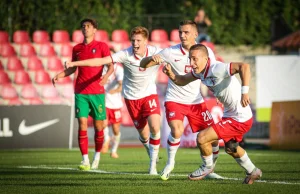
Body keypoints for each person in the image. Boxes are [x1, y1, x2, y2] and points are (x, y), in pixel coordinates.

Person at [64, 26, 162, 175]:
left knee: (155, 127)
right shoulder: (125, 54)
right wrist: (75, 64)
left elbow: (174, 58)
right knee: (144, 135)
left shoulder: (156, 51)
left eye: (138, 40)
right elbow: (99, 61)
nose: (135, 43)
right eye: (133, 40)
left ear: (146, 41)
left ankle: (153, 167)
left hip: (149, 95)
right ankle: (151, 152)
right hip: (132, 98)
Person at [163, 43, 262, 184]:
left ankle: (207, 167)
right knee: (231, 148)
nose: (191, 63)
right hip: (230, 114)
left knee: (202, 138)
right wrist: (171, 74)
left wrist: (244, 92)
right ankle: (253, 171)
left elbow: (244, 67)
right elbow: (182, 80)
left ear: (205, 58)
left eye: (195, 59)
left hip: (240, 117)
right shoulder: (199, 71)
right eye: (190, 59)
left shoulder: (217, 68)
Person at [140, 20, 220, 181]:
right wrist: (150, 59)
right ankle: (170, 163)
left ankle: (210, 170)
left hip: (196, 101)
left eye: (186, 32)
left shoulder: (207, 52)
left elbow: (215, 73)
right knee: (176, 130)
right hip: (174, 99)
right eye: (180, 32)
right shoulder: (170, 52)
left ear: (196, 34)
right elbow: (143, 64)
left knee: (214, 138)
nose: (182, 35)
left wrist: (218, 91)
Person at [52, 18, 114, 171]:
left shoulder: (102, 46)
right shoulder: (77, 49)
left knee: (99, 127)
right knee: (83, 124)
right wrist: (60, 75)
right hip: (81, 92)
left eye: (88, 26)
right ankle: (85, 160)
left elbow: (111, 66)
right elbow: (73, 68)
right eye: (83, 26)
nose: (85, 28)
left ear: (94, 30)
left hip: (97, 92)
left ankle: (97, 155)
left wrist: (106, 77)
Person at [101, 61, 124, 159]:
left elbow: (121, 85)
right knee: (103, 124)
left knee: (116, 130)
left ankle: (114, 150)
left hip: (116, 104)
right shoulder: (101, 69)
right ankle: (106, 139)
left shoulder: (118, 69)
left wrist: (115, 90)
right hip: (104, 102)